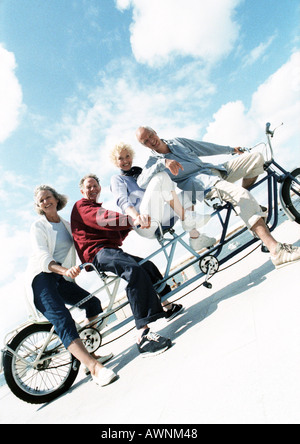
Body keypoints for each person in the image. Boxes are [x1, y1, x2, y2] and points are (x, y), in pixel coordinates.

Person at [136, 126, 300, 269]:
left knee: (256, 158)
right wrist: (163, 163)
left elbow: (205, 147)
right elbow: (142, 182)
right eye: (146, 142)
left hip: (215, 170)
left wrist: (231, 150)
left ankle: (240, 207)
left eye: (151, 136)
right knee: (241, 195)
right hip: (203, 184)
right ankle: (276, 251)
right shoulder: (153, 161)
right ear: (144, 146)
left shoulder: (177, 142)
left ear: (155, 132)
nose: (151, 141)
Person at [71, 174, 180, 357]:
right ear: (82, 191)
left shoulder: (96, 208)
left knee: (147, 266)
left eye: (95, 185)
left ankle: (166, 305)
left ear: (99, 188)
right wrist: (132, 220)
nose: (92, 189)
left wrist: (133, 225)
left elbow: (116, 233)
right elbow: (103, 219)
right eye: (88, 187)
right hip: (98, 253)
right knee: (133, 271)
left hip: (110, 250)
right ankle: (143, 335)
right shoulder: (82, 206)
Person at [25, 185, 117, 387]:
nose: (45, 202)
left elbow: (85, 240)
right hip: (43, 278)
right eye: (41, 201)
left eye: (48, 197)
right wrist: (64, 270)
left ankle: (89, 354)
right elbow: (42, 255)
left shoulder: (67, 225)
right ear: (39, 206)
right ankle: (94, 368)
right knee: (63, 318)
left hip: (61, 279)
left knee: (92, 303)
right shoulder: (38, 226)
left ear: (56, 199)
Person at [110, 141, 215, 249]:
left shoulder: (140, 173)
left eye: (127, 156)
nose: (125, 160)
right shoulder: (117, 179)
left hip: (158, 215)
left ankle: (195, 238)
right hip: (144, 222)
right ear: (115, 161)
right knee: (161, 176)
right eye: (120, 158)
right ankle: (186, 217)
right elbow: (123, 202)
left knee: (187, 195)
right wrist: (137, 217)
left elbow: (163, 191)